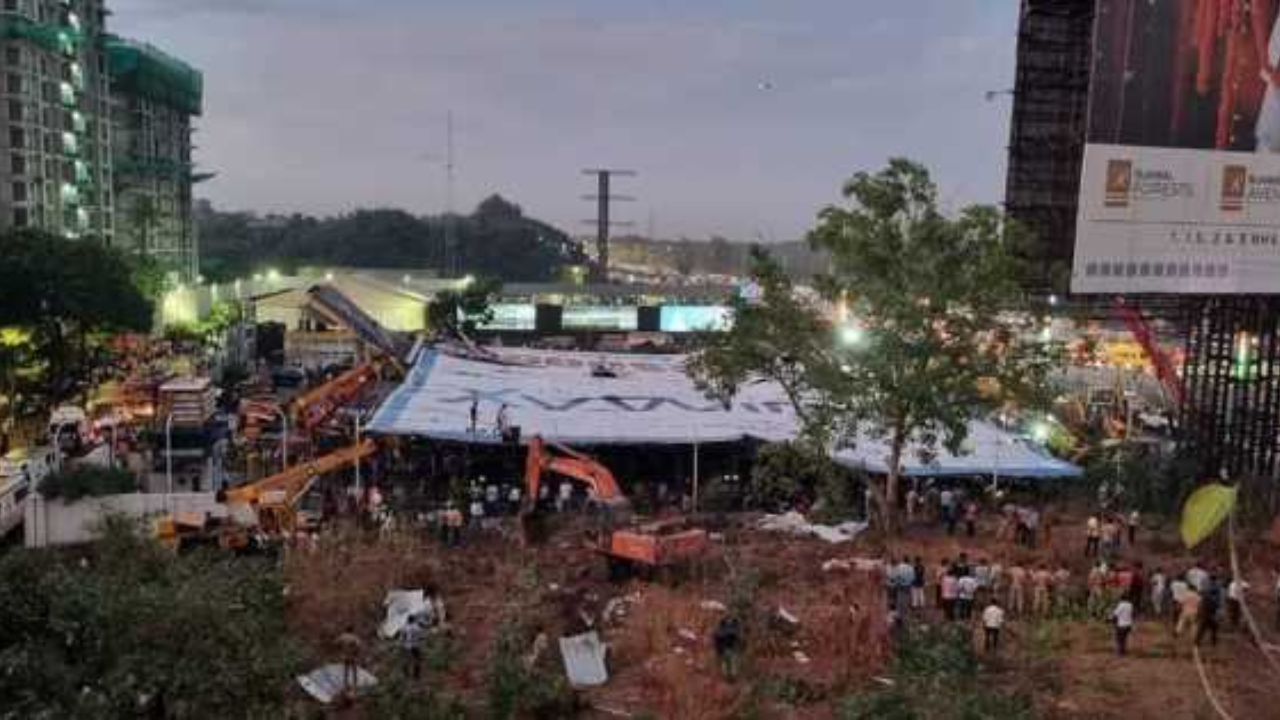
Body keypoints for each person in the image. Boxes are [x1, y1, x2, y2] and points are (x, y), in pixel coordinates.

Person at [713, 616, 743, 680]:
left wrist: (717, 649)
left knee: (727, 662)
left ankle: (728, 675)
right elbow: (738, 638)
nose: (729, 622)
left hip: (726, 649)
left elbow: (716, 639)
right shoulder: (733, 629)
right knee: (730, 662)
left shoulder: (720, 630)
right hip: (728, 648)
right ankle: (730, 675)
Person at [337, 626, 364, 697]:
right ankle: (354, 687)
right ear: (352, 630)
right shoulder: (354, 637)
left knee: (346, 671)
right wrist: (357, 654)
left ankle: (345, 686)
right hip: (352, 657)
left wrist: (340, 650)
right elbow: (359, 646)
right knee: (354, 671)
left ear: (346, 630)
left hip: (345, 656)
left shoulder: (342, 636)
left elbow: (336, 643)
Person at [401, 614, 426, 679]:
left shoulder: (404, 627)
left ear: (408, 620)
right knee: (417, 659)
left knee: (407, 659)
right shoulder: (417, 627)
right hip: (415, 645)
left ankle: (405, 672)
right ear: (414, 620)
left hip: (407, 645)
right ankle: (416, 674)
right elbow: (422, 637)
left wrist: (403, 643)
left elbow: (402, 637)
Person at [1197, 579, 1220, 646]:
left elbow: (1201, 606)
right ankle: (1213, 642)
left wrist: (1199, 614)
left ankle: (1197, 642)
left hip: (1205, 616)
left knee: (1202, 630)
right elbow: (1216, 608)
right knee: (1213, 629)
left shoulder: (1205, 598)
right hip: (1210, 617)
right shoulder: (1214, 600)